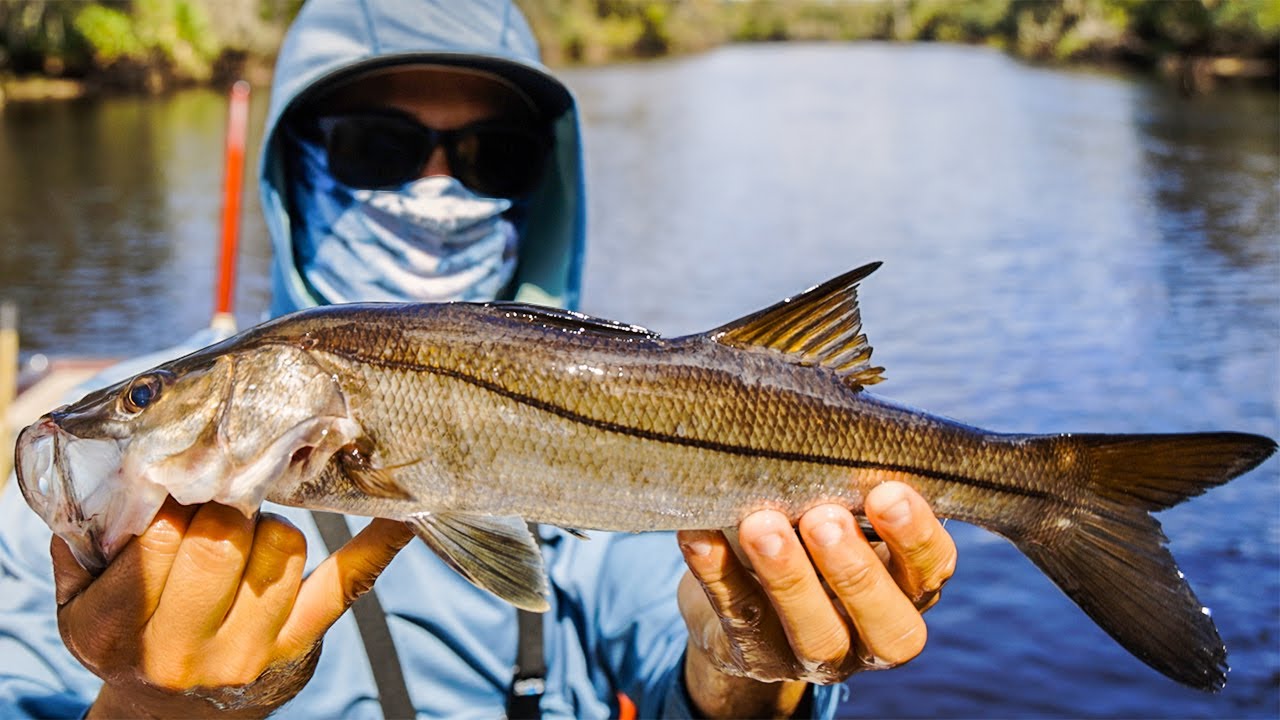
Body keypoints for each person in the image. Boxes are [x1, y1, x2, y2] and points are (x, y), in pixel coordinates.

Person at [0, 1, 957, 717]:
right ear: (293, 172)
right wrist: (144, 712)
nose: (437, 190)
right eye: (376, 146)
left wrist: (748, 662)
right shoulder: (44, 510)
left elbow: (683, 654)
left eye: (494, 155)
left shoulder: (618, 388)